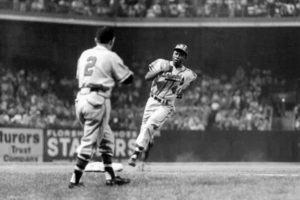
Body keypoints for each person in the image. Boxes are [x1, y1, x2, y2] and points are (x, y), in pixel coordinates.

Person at [69, 26, 133, 188]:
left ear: (96, 40)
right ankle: (74, 180)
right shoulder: (110, 56)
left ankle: (110, 177)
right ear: (112, 41)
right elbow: (127, 79)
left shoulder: (85, 54)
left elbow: (80, 76)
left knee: (106, 138)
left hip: (81, 99)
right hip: (97, 99)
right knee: (89, 141)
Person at [128, 43, 197, 167]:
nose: (178, 56)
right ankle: (142, 159)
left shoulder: (187, 73)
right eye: (176, 53)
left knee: (150, 125)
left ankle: (135, 154)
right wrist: (160, 71)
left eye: (181, 55)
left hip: (166, 105)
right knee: (145, 129)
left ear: (184, 58)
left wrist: (182, 89)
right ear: (172, 53)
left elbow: (191, 80)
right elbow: (147, 77)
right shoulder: (161, 63)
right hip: (152, 100)